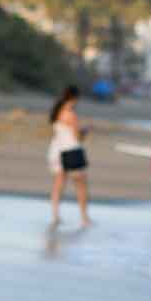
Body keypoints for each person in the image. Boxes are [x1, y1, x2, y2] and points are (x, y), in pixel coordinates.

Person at [46, 85, 90, 227]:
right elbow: (77, 137)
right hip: (72, 150)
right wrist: (85, 131)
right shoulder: (70, 114)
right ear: (74, 98)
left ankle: (55, 215)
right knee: (81, 185)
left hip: (56, 150)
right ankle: (84, 218)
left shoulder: (56, 112)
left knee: (58, 185)